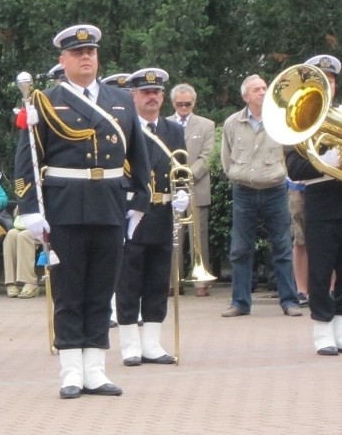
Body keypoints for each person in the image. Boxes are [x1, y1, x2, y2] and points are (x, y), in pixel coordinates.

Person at [14, 24, 151, 399]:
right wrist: (29, 207)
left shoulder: (120, 99)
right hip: (65, 204)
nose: (86, 57)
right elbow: (26, 159)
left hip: (110, 201)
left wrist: (141, 200)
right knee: (70, 289)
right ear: (63, 60)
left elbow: (139, 155)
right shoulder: (43, 101)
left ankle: (96, 369)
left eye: (90, 51)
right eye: (77, 53)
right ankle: (72, 370)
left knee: (101, 289)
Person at [116, 68, 188, 367]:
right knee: (129, 278)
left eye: (157, 92)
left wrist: (183, 192)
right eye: (146, 92)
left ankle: (152, 343)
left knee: (158, 279)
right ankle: (130, 344)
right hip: (133, 213)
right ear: (134, 96)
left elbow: (180, 165)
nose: (153, 97)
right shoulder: (124, 128)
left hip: (162, 212)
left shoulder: (173, 130)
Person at [220, 74, 301, 317]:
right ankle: (240, 303)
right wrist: (237, 175)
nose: (263, 92)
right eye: (256, 89)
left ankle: (290, 301)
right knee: (240, 249)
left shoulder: (281, 120)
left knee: (283, 247)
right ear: (245, 96)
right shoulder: (232, 123)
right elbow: (226, 158)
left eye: (265, 88)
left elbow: (291, 154)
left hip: (275, 190)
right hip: (244, 191)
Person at [283, 55, 342, 354]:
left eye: (332, 80)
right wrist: (324, 164)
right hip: (320, 203)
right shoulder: (297, 120)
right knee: (320, 269)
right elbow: (293, 168)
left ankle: (340, 329)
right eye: (324, 79)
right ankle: (322, 330)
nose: (329, 83)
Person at [167, 83, 216, 297]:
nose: (184, 107)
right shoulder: (165, 124)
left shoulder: (206, 125)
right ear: (173, 103)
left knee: (199, 236)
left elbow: (207, 157)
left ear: (194, 102)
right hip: (171, 187)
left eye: (187, 103)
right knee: (174, 236)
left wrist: (188, 175)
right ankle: (172, 282)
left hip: (197, 187)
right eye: (180, 104)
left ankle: (201, 283)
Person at [3, 215, 41, 299]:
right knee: (11, 234)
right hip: (24, 225)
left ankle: (30, 282)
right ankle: (10, 282)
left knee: (24, 236)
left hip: (43, 226)